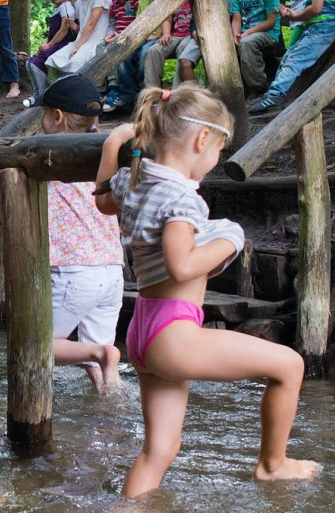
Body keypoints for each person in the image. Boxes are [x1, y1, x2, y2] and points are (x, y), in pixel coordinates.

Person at [94, 85, 317, 498]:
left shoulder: (134, 179)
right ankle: (273, 465)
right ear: (201, 140)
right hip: (174, 333)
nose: (215, 160)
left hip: (142, 333)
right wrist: (230, 238)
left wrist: (112, 143)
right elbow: (182, 265)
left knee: (159, 450)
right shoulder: (181, 197)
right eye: (218, 149)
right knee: (289, 366)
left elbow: (104, 200)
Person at [23, 75, 123, 393]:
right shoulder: (104, 154)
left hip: (75, 271)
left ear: (56, 116)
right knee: (101, 374)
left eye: (44, 114)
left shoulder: (49, 154)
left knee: (34, 345)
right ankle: (110, 425)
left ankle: (99, 352)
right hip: (111, 270)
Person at [43, 0, 113, 77]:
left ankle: (73, 93)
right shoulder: (80, 1)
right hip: (80, 41)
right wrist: (74, 26)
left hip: (95, 43)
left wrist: (77, 47)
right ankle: (54, 93)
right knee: (52, 61)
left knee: (75, 63)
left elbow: (91, 25)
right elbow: (83, 26)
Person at [229, 0, 282, 95]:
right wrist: (236, 34)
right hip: (246, 33)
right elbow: (236, 19)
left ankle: (259, 87)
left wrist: (248, 33)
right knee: (225, 44)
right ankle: (232, 87)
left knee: (246, 43)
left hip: (267, 34)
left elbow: (271, 21)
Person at [25, 0, 79, 103]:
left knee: (35, 64)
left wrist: (49, 45)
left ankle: (43, 95)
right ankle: (37, 93)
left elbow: (64, 29)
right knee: (29, 63)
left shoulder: (66, 6)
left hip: (61, 45)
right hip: (56, 43)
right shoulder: (59, 7)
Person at [99, 0, 145, 112]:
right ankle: (105, 89)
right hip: (119, 38)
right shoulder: (116, 1)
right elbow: (115, 24)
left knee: (124, 57)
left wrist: (122, 35)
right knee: (100, 48)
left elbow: (141, 22)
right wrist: (111, 35)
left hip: (134, 38)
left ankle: (127, 95)